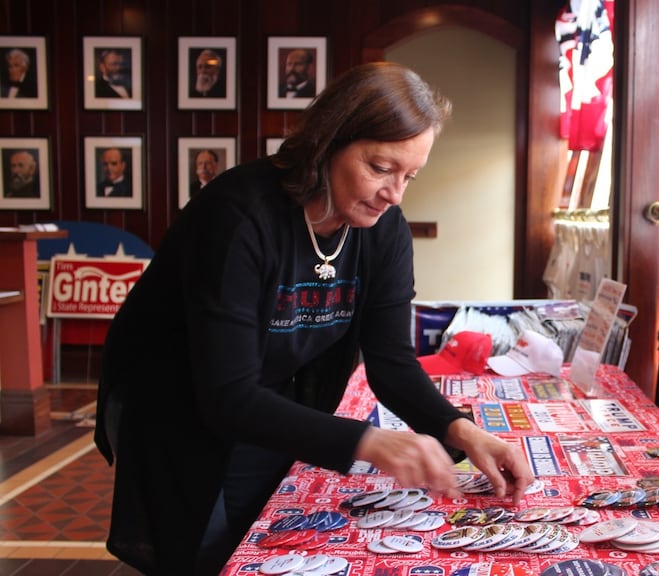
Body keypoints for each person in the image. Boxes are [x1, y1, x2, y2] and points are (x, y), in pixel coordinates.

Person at [95, 61, 535, 576]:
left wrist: (460, 431)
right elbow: (227, 396)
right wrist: (368, 442)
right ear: (328, 143)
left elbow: (391, 361)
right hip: (184, 407)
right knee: (206, 553)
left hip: (273, 399)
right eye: (380, 167)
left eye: (410, 175)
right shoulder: (238, 216)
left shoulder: (383, 228)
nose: (395, 194)